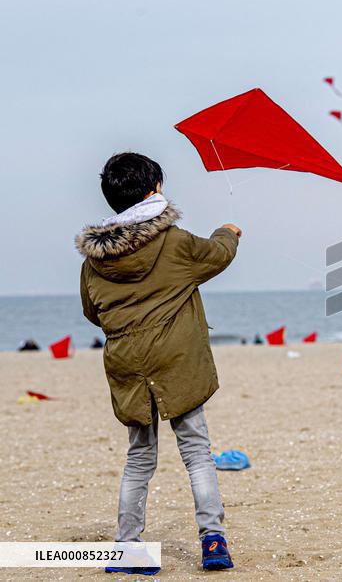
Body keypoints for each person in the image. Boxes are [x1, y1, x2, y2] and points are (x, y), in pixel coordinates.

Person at [76, 153, 240, 574]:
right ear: (155, 189)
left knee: (139, 457)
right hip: (176, 358)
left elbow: (93, 312)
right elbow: (217, 256)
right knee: (197, 453)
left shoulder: (94, 260)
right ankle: (213, 540)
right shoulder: (175, 241)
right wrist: (229, 231)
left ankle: (127, 548)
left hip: (127, 362)